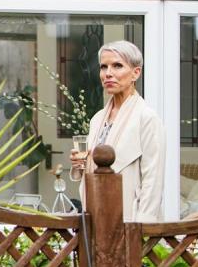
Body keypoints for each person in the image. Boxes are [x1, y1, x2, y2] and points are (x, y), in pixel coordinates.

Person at [71, 40, 165, 222]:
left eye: (117, 66)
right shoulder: (98, 118)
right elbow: (97, 169)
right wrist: (80, 163)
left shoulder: (147, 118)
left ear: (135, 73)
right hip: (94, 215)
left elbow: (153, 181)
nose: (108, 74)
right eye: (104, 67)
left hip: (129, 220)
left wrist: (142, 229)